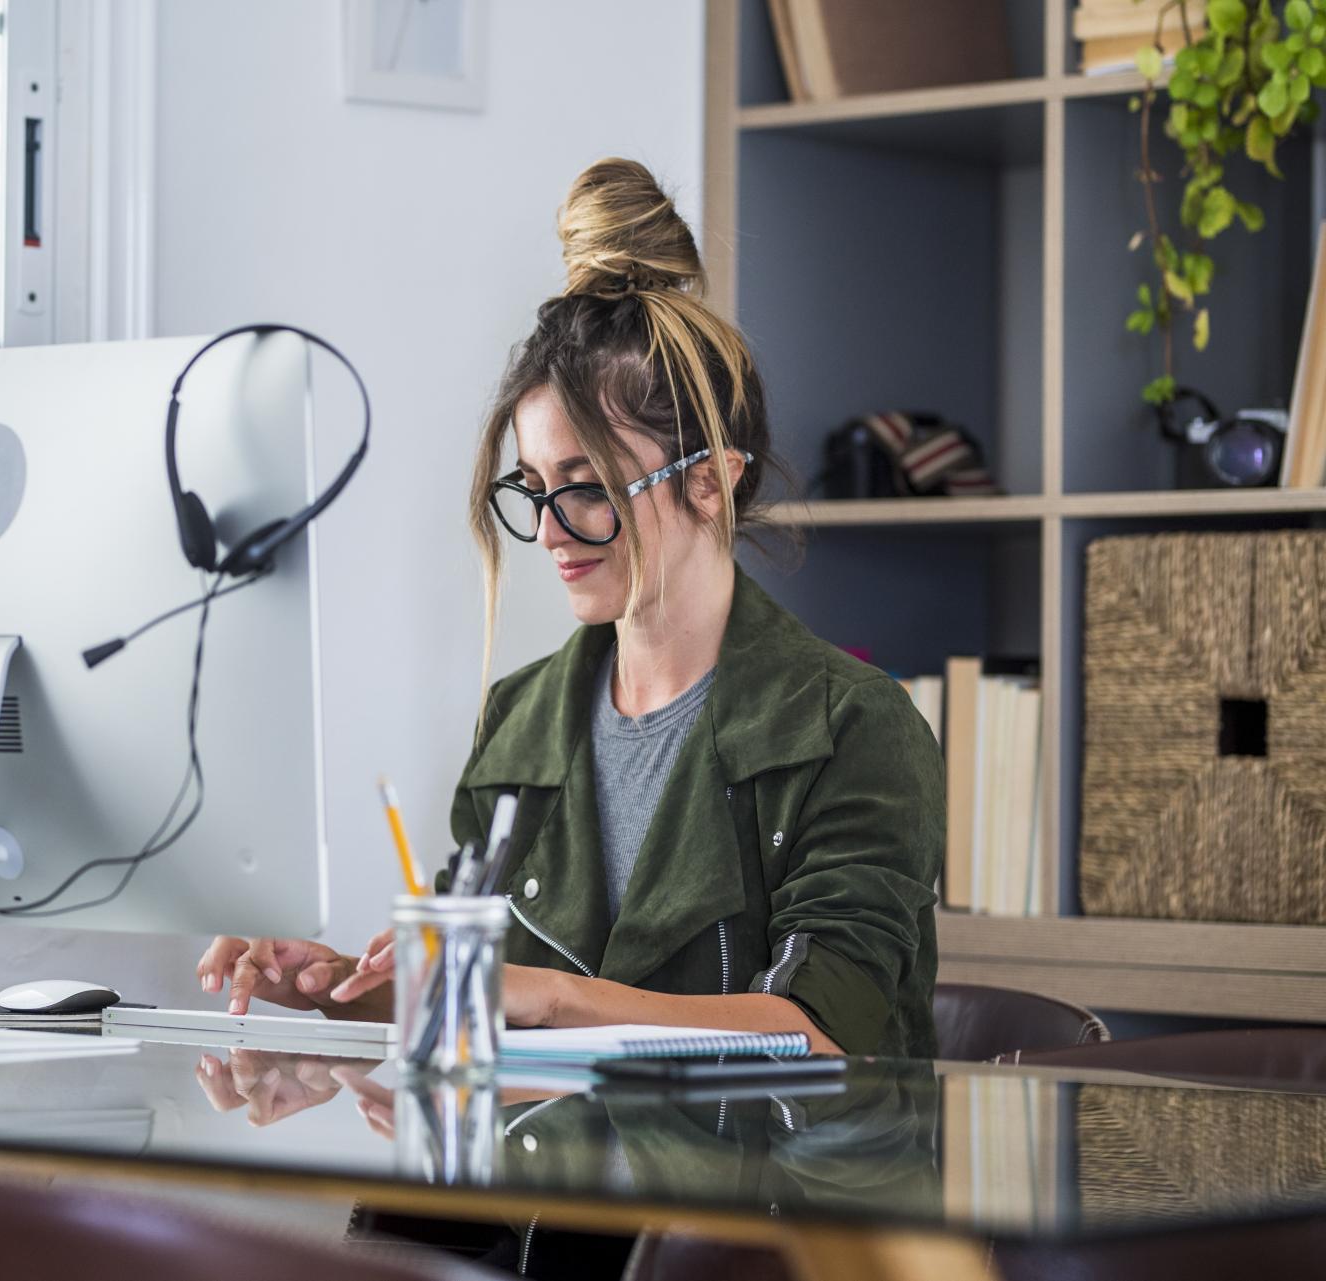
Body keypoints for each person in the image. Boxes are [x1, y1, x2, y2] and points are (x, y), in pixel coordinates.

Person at [197, 157, 943, 1061]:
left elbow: (821, 1032)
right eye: (534, 487)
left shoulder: (858, 730)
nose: (551, 531)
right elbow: (474, 994)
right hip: (553, 1197)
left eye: (586, 489)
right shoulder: (519, 722)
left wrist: (553, 997)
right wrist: (335, 985)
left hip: (774, 1200)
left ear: (709, 481)